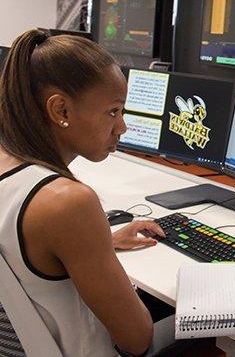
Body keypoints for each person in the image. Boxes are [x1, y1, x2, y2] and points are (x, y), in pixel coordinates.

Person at [0, 29, 166, 356]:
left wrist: (100, 241)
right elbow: (137, 340)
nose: (122, 127)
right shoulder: (66, 202)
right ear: (60, 110)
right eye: (113, 111)